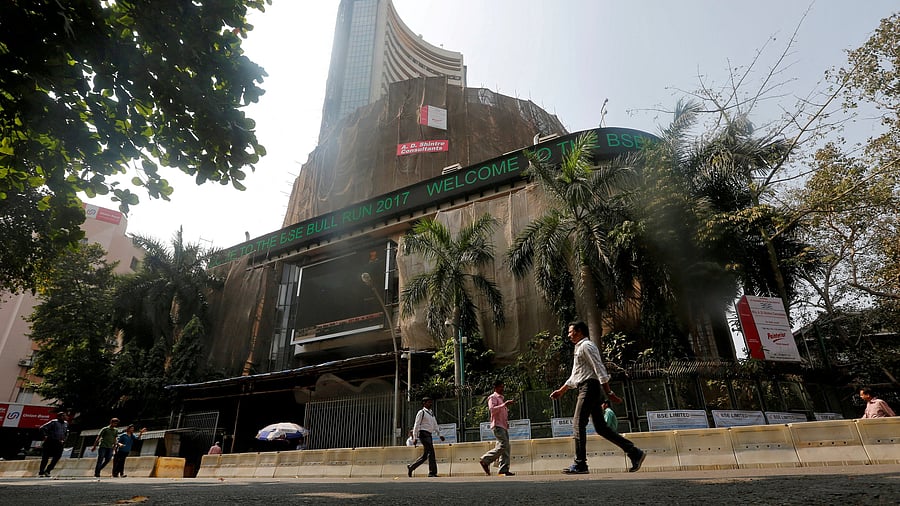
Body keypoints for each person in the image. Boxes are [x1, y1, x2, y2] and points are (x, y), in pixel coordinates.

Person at [551, 321, 646, 474]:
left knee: (578, 424)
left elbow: (599, 368)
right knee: (601, 428)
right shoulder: (579, 348)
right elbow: (576, 375)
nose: (568, 335)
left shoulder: (587, 346)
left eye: (570, 332)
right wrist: (562, 390)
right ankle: (634, 452)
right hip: (588, 388)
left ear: (579, 331)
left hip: (589, 388)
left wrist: (608, 392)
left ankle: (580, 463)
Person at [479, 379, 516, 476]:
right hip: (497, 426)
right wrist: (504, 404)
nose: (502, 388)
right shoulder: (493, 398)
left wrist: (506, 422)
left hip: (502, 425)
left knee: (506, 447)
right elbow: (492, 410)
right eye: (500, 386)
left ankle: (503, 469)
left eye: (503, 386)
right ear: (495, 388)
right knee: (504, 445)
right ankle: (485, 460)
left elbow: (501, 413)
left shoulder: (500, 398)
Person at [407, 397, 444, 477]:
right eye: (428, 402)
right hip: (423, 434)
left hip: (429, 435)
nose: (430, 404)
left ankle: (411, 467)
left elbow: (435, 425)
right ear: (424, 403)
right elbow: (416, 425)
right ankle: (432, 472)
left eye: (431, 402)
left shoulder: (431, 413)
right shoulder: (421, 412)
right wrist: (414, 437)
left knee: (425, 455)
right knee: (431, 452)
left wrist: (439, 434)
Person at [38, 410, 68, 477]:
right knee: (45, 457)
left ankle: (48, 470)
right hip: (50, 441)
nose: (65, 417)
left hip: (59, 442)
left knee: (57, 456)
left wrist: (64, 439)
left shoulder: (66, 423)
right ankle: (41, 471)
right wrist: (45, 436)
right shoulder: (53, 422)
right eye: (64, 416)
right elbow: (42, 428)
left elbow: (65, 432)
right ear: (60, 417)